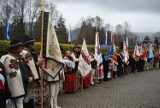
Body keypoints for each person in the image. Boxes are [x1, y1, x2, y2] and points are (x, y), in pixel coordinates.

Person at [1, 40, 33, 108]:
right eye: (19, 46)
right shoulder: (6, 58)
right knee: (18, 104)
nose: (22, 48)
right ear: (14, 48)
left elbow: (25, 69)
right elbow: (10, 74)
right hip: (14, 88)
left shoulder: (19, 57)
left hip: (21, 86)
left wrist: (29, 76)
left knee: (19, 103)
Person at [21, 35, 40, 107]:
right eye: (31, 43)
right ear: (27, 45)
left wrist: (38, 63)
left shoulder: (31, 53)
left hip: (33, 78)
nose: (33, 44)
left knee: (31, 96)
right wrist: (29, 76)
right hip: (29, 78)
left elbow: (33, 65)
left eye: (33, 43)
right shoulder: (24, 53)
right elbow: (24, 67)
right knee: (27, 96)